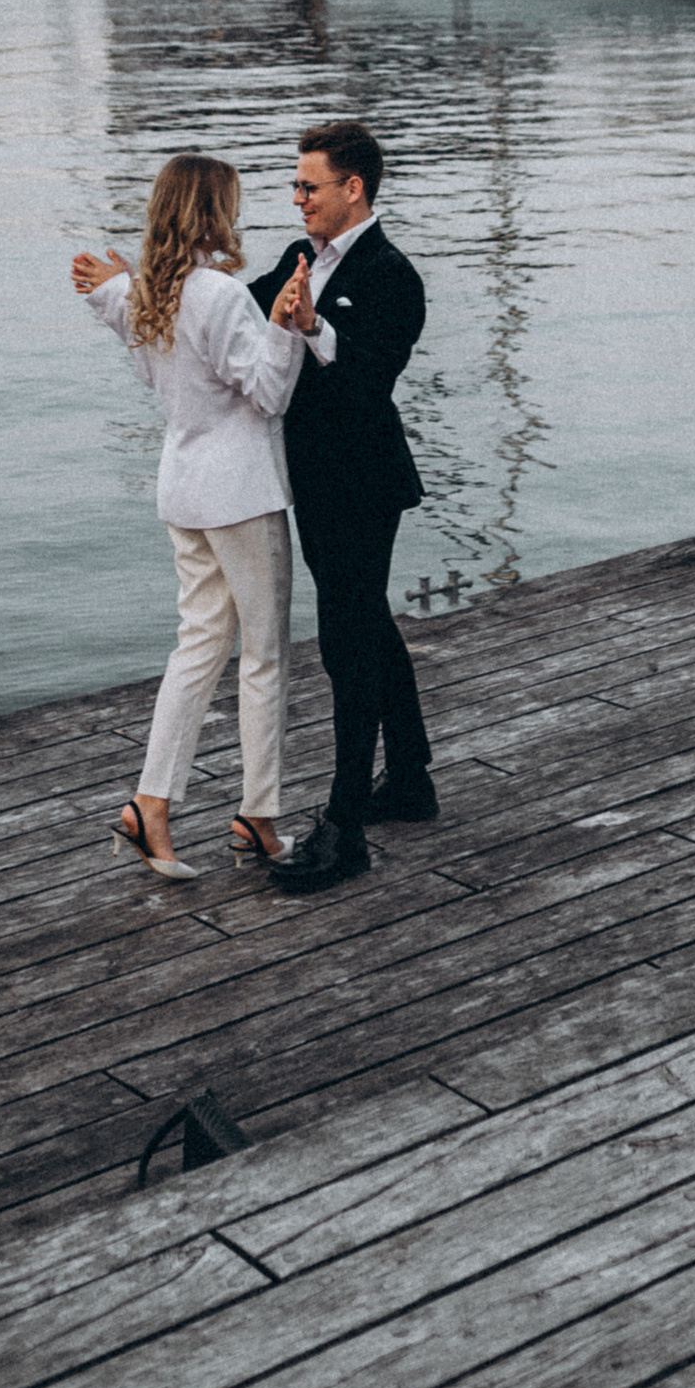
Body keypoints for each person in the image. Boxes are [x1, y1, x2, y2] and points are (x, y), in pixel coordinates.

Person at [72, 150, 304, 878]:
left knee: (199, 645)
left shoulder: (151, 294)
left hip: (183, 490)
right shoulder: (220, 293)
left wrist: (112, 288)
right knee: (263, 654)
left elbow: (143, 350)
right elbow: (269, 392)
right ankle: (258, 817)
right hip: (240, 494)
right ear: (215, 211)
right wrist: (287, 323)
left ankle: (151, 803)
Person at [251, 117, 433, 894]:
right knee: (365, 616)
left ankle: (346, 823)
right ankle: (413, 778)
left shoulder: (395, 275)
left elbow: (367, 376)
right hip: (314, 479)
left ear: (352, 188)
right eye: (295, 185)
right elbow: (238, 310)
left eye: (308, 186)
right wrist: (159, 281)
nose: (297, 198)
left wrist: (313, 324)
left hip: (363, 479)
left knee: (344, 639)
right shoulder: (301, 258)